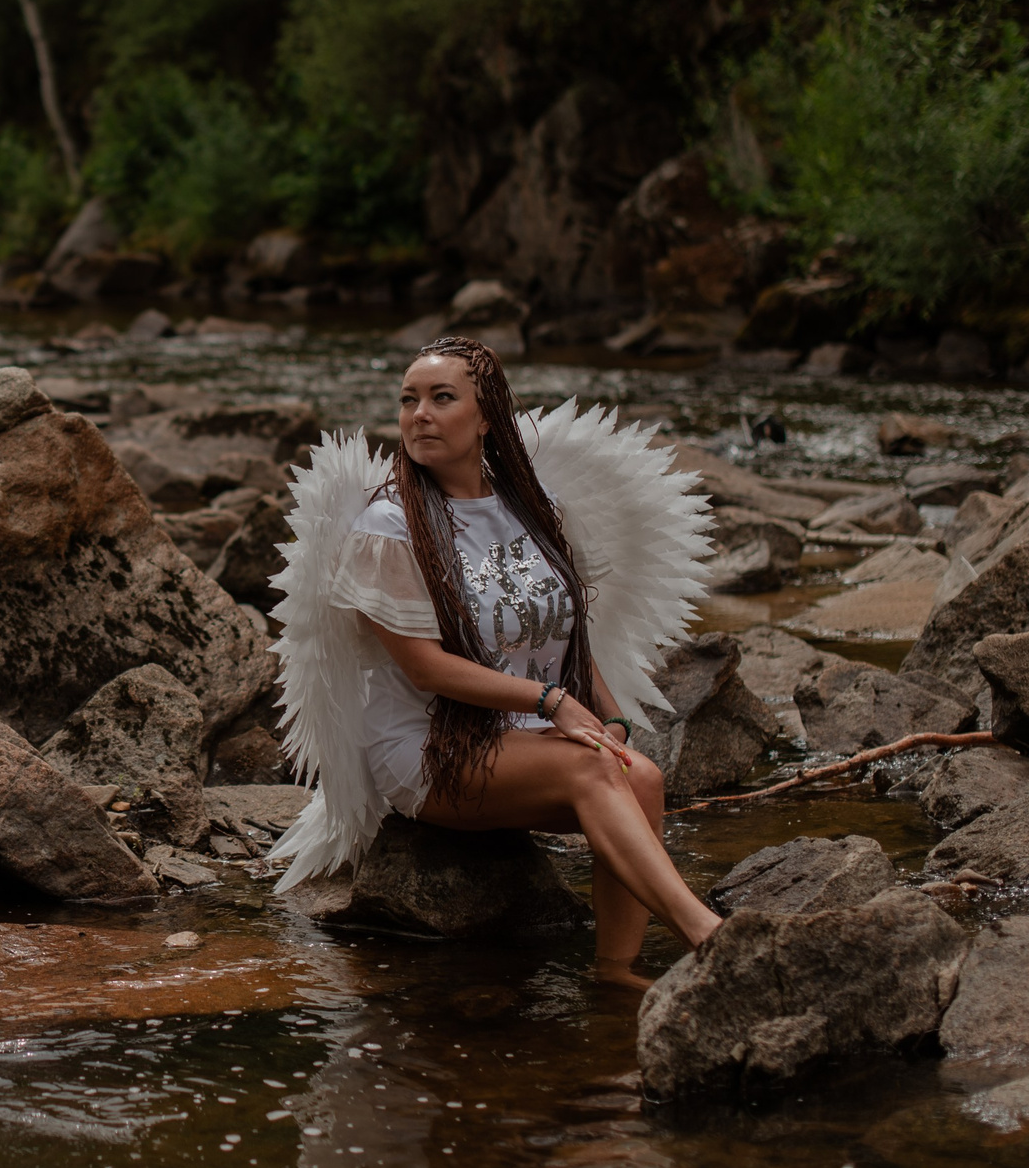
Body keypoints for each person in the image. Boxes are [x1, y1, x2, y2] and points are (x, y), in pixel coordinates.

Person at [265, 335, 722, 988]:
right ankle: (706, 935)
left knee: (641, 776)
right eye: (408, 399)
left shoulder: (532, 508)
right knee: (593, 769)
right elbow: (425, 668)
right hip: (429, 746)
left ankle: (617, 971)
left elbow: (569, 636)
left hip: (526, 737)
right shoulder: (387, 527)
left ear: (486, 417)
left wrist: (612, 718)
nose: (419, 412)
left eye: (441, 397)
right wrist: (549, 702)